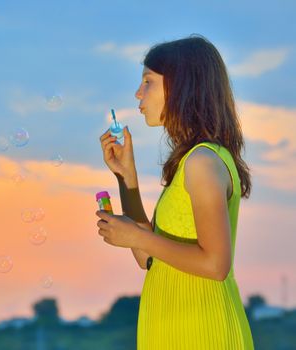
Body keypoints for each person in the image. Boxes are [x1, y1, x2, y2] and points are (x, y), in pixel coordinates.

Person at [96, 34, 255, 349]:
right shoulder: (190, 163)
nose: (138, 93)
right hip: (172, 330)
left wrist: (137, 237)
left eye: (148, 82)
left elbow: (215, 265)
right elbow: (147, 258)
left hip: (202, 331)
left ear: (181, 86)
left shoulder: (203, 162)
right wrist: (126, 178)